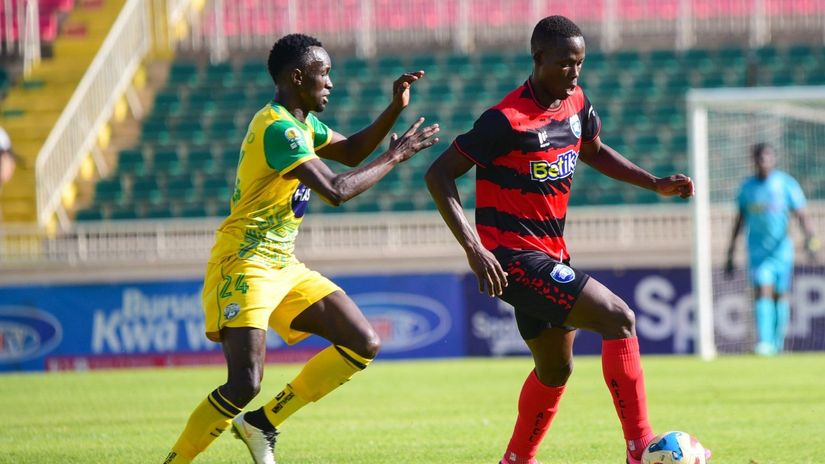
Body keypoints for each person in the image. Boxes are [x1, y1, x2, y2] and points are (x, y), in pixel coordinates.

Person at [425, 16, 707, 464]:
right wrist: (474, 249)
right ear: (538, 59)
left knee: (555, 370)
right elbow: (438, 174)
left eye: (579, 64)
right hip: (511, 259)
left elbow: (593, 149)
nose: (574, 73)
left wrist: (652, 182)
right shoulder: (504, 120)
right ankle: (641, 449)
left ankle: (515, 459)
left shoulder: (575, 101)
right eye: (563, 64)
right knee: (620, 318)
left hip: (551, 252)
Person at [163, 33, 439, 464]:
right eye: (323, 74)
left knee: (362, 342)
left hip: (282, 264)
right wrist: (394, 158)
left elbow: (350, 152)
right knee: (244, 383)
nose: (330, 83)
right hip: (245, 262)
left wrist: (394, 110)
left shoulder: (303, 124)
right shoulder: (279, 128)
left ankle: (262, 424)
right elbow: (335, 189)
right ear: (297, 77)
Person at [725, 143, 818, 356]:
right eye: (759, 158)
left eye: (767, 157)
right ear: (754, 161)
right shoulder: (747, 188)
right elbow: (739, 220)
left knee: (780, 295)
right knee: (762, 289)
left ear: (773, 159)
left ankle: (777, 343)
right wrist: (730, 251)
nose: (763, 161)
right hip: (758, 252)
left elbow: (801, 214)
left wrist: (811, 240)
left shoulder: (786, 184)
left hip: (782, 251)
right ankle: (765, 343)